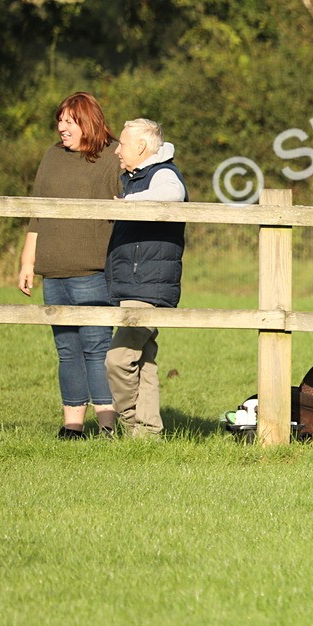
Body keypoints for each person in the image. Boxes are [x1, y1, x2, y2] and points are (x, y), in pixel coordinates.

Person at [19, 92, 123, 439]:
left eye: (69, 121)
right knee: (66, 351)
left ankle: (107, 423)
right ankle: (72, 426)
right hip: (54, 270)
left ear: (87, 122)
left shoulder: (111, 156)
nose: (61, 127)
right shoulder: (52, 156)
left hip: (92, 271)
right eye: (60, 120)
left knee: (96, 349)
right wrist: (27, 262)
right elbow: (37, 212)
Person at [105, 119, 188, 439]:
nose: (117, 151)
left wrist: (125, 205)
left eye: (123, 144)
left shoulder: (163, 173)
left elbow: (172, 195)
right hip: (138, 283)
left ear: (141, 146)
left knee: (118, 359)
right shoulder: (137, 177)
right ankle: (149, 433)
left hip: (148, 285)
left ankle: (129, 421)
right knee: (144, 362)